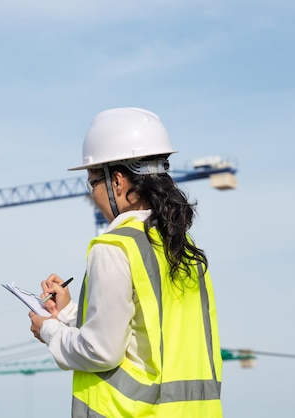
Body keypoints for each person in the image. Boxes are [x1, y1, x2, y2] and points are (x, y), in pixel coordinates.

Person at [29, 107, 223, 417]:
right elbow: (140, 336)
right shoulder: (183, 248)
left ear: (117, 182)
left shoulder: (113, 247)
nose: (93, 193)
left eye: (92, 182)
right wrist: (66, 313)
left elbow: (101, 351)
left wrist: (49, 330)